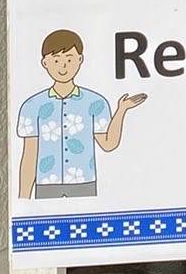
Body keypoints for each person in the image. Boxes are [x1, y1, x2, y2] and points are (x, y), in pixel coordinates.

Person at [15, 27, 146, 200]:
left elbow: (108, 144)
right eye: (56, 60)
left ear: (80, 59)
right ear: (45, 62)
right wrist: (23, 199)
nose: (63, 66)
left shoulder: (95, 102)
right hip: (46, 184)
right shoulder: (32, 106)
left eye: (69, 59)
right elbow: (29, 155)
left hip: (84, 182)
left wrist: (121, 110)